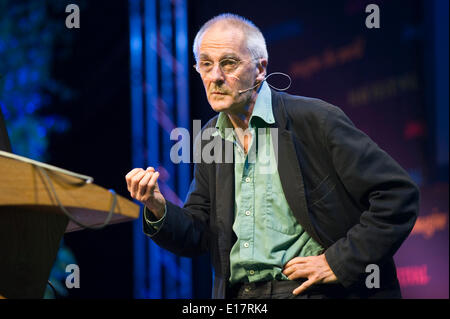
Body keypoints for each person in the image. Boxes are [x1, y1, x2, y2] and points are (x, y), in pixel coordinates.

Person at [125, 13, 419, 299]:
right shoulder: (210, 137)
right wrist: (157, 206)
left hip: (311, 291)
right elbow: (200, 234)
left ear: (260, 68)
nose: (215, 77)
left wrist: (339, 261)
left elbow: (397, 195)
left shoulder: (314, 119)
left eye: (229, 63)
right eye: (206, 64)